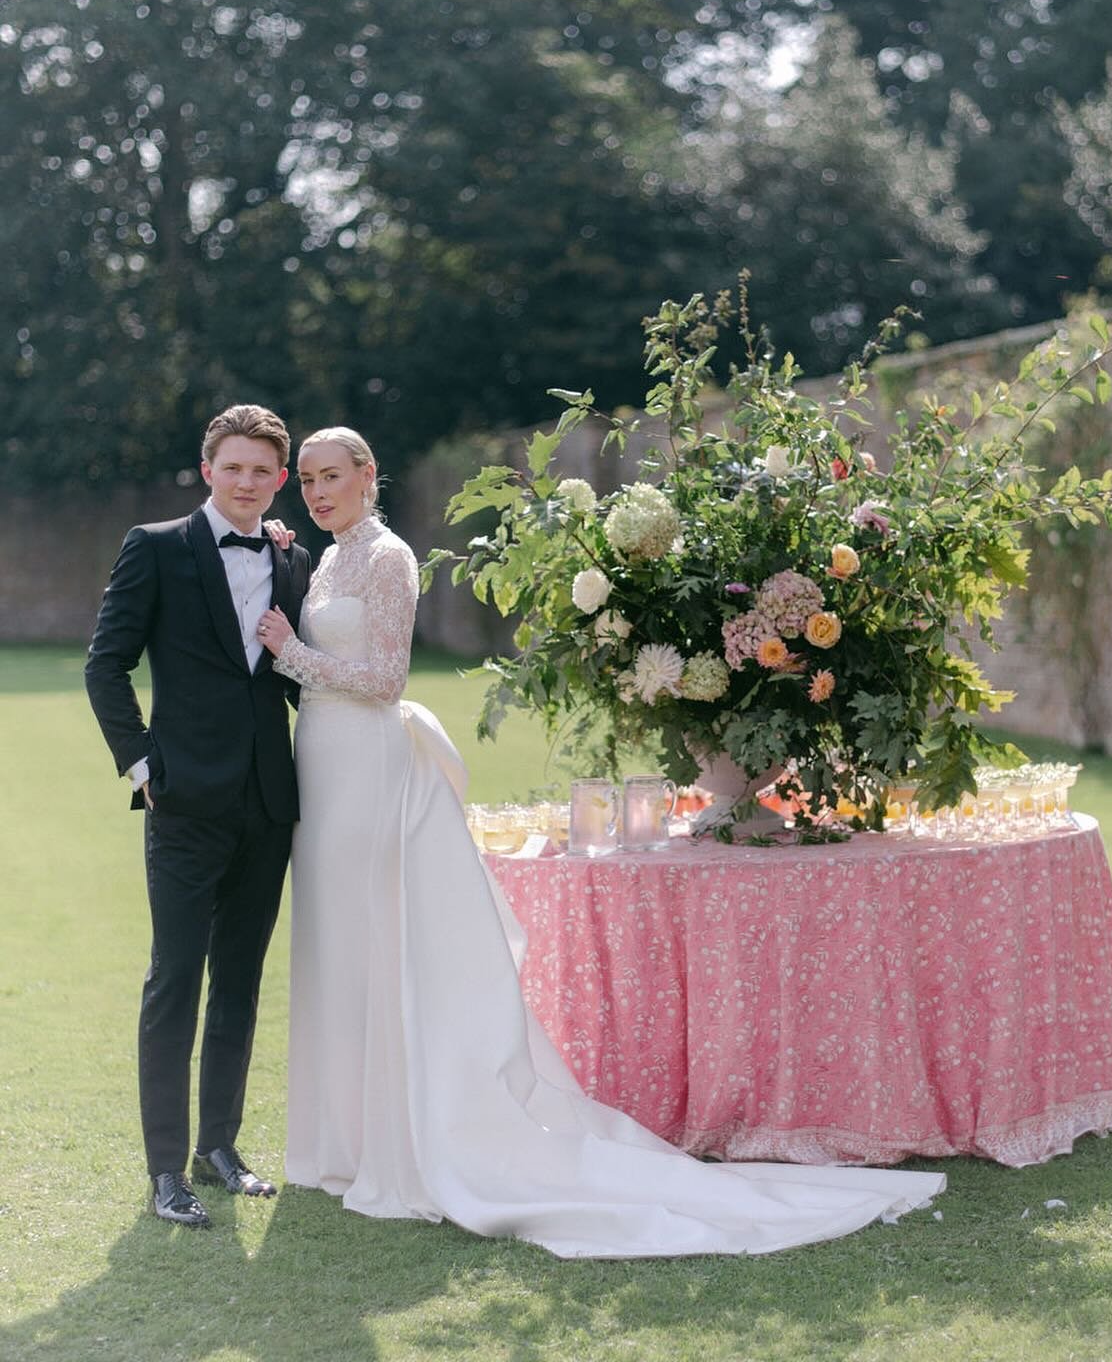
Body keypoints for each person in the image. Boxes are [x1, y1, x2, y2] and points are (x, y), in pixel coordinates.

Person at [256, 427, 945, 1258]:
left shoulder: (390, 558)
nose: (319, 492)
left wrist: (293, 654)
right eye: (308, 480)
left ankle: (411, 1136)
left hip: (368, 769)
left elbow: (388, 679)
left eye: (333, 477)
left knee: (382, 940)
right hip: (321, 773)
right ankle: (351, 1139)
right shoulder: (324, 559)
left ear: (369, 475)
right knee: (340, 947)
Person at [85, 404, 312, 1228]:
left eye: (263, 471)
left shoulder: (293, 561)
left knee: (242, 983)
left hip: (268, 803)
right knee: (174, 980)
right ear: (208, 468)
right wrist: (145, 765)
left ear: (279, 481)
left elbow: (293, 675)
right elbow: (105, 665)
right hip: (182, 802)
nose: (248, 482)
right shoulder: (155, 546)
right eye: (234, 467)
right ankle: (163, 1172)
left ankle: (219, 1148)